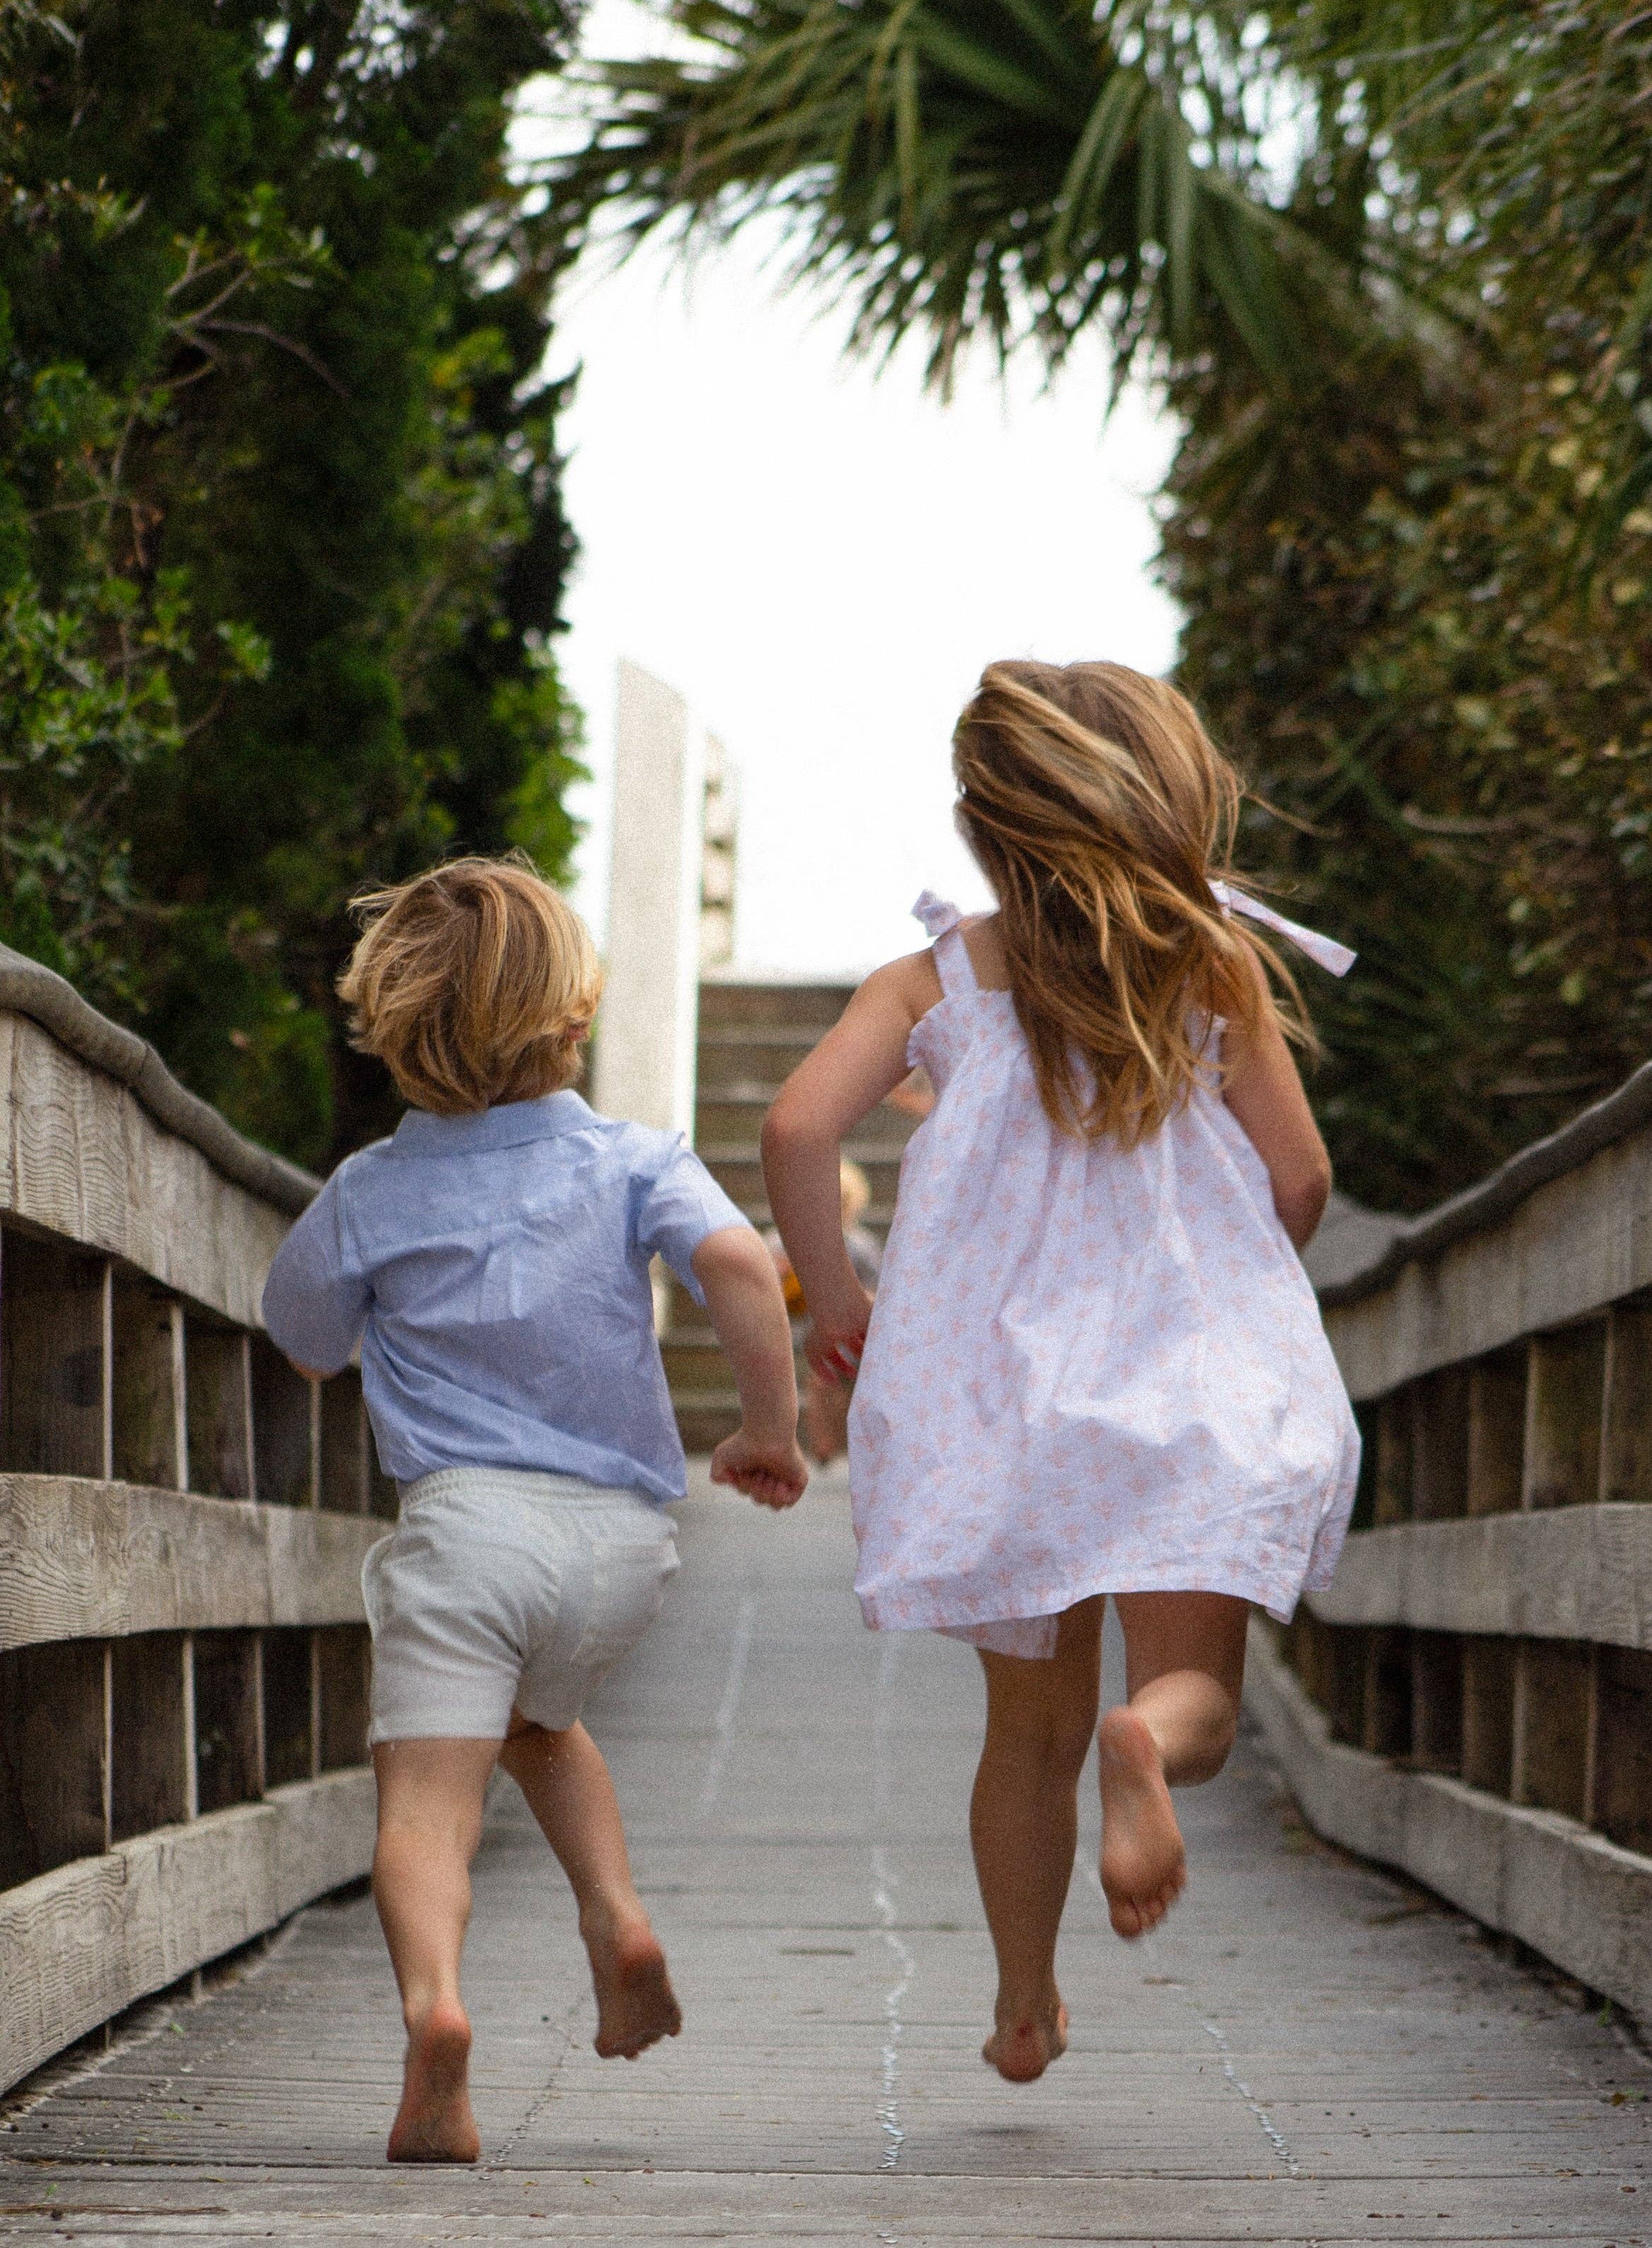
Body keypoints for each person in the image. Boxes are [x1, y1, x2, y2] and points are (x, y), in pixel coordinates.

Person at [759, 661, 1360, 2088]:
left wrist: (838, 1305)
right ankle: (1142, 1742)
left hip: (1002, 1402)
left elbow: (794, 1129)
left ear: (983, 824)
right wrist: (1237, 1290)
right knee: (1191, 1687)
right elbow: (1299, 1174)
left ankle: (1022, 2002)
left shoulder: (934, 977)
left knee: (1021, 1734)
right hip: (1181, 1388)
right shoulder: (1208, 962)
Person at [262, 856, 804, 2164]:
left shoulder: (371, 1189)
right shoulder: (632, 1162)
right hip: (621, 1542)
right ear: (575, 1018)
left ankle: (436, 2017)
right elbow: (738, 1258)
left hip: (466, 1531)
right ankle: (616, 1918)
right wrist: (769, 1428)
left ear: (393, 1026)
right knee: (543, 1723)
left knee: (425, 1798)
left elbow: (304, 1338)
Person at [765, 1160, 884, 1462]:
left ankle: (832, 1437)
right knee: (821, 1384)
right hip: (808, 1324)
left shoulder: (859, 1244)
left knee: (834, 1385)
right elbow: (765, 1270)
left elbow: (878, 1285)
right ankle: (823, 1440)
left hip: (851, 1327)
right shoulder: (784, 1240)